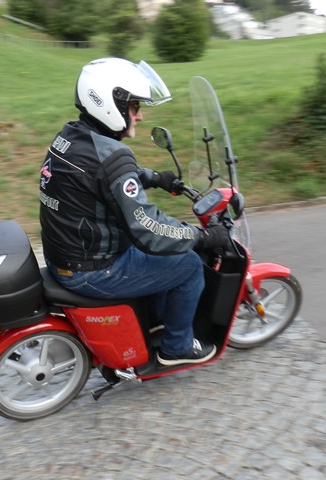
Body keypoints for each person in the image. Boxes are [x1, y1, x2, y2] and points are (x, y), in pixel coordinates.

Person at [39, 58, 231, 366]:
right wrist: (203, 237)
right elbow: (149, 229)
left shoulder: (69, 136)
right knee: (189, 264)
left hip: (65, 255)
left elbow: (99, 176)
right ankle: (177, 347)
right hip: (93, 270)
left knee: (169, 245)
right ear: (109, 104)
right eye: (134, 107)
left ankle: (153, 317)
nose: (139, 116)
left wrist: (153, 178)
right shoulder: (113, 156)